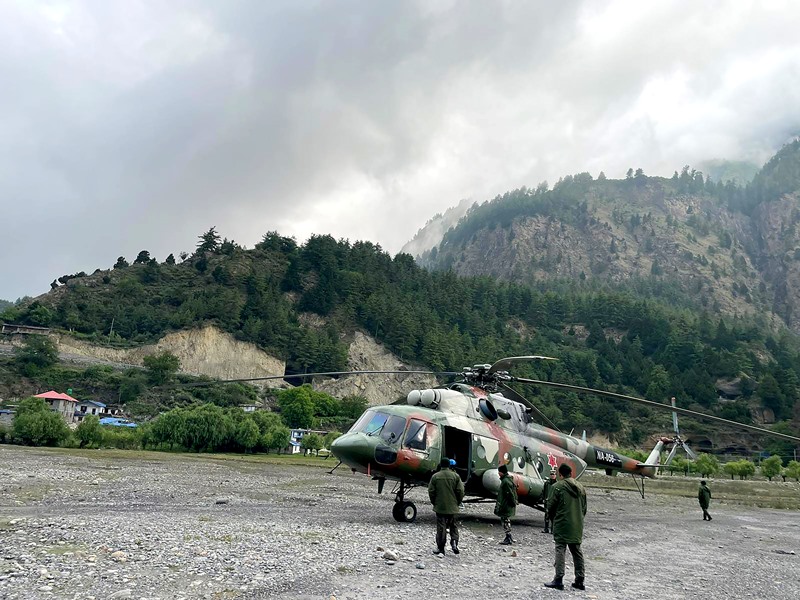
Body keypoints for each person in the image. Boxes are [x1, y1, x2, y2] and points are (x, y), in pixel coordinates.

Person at [544, 463, 587, 591]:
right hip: (577, 524)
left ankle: (558, 579)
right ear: (571, 473)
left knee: (560, 550)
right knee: (577, 551)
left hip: (562, 523)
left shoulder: (557, 487)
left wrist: (553, 520)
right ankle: (579, 580)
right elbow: (584, 508)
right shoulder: (581, 487)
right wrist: (578, 519)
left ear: (560, 474)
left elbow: (550, 507)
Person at [428, 457, 465, 557]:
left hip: (440, 507)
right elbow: (461, 491)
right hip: (453, 507)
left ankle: (441, 549)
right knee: (453, 526)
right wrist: (457, 502)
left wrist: (434, 502)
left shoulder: (435, 476)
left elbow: (431, 491)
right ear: (449, 465)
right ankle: (454, 543)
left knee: (441, 527)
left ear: (441, 465)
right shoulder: (456, 476)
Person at [494, 464, 518, 545]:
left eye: (499, 472)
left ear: (501, 472)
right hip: (507, 505)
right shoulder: (508, 480)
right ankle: (509, 537)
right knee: (506, 521)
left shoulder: (505, 482)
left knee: (505, 521)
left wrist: (511, 503)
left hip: (505, 505)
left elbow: (509, 494)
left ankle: (508, 537)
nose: (498, 474)